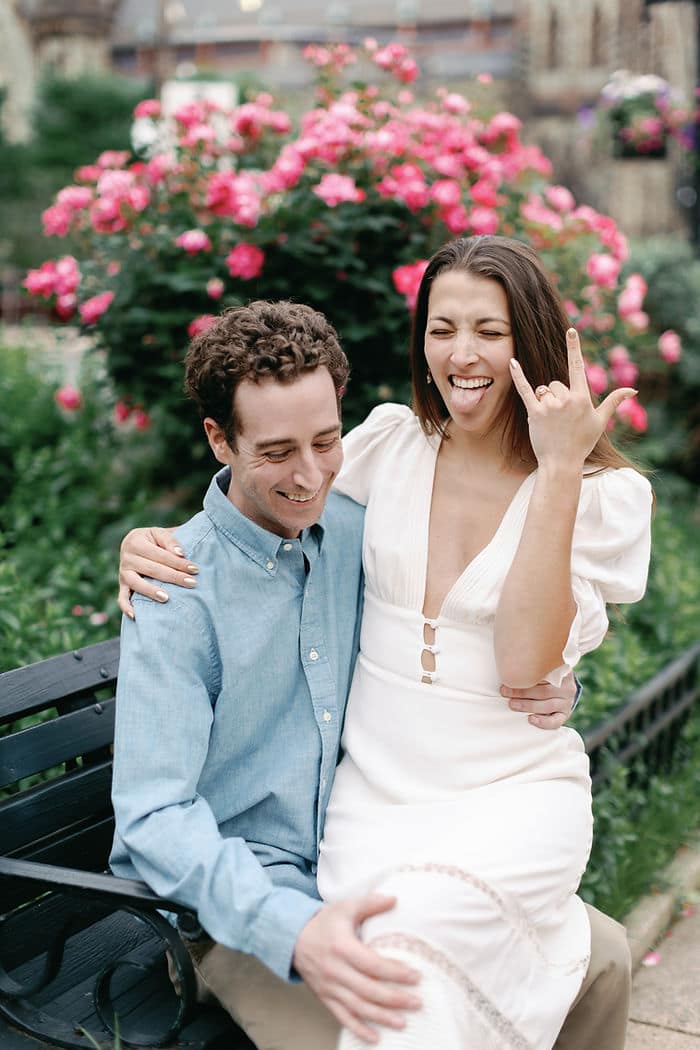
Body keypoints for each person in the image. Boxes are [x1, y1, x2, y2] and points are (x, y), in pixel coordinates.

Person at [116, 237, 651, 1050]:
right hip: (246, 908)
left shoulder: (352, 519)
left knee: (602, 955)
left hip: (379, 840)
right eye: (275, 452)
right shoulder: (180, 589)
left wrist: (560, 679)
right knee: (415, 1011)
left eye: (324, 442)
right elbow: (152, 819)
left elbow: (477, 647)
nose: (309, 476)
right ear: (220, 444)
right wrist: (292, 927)